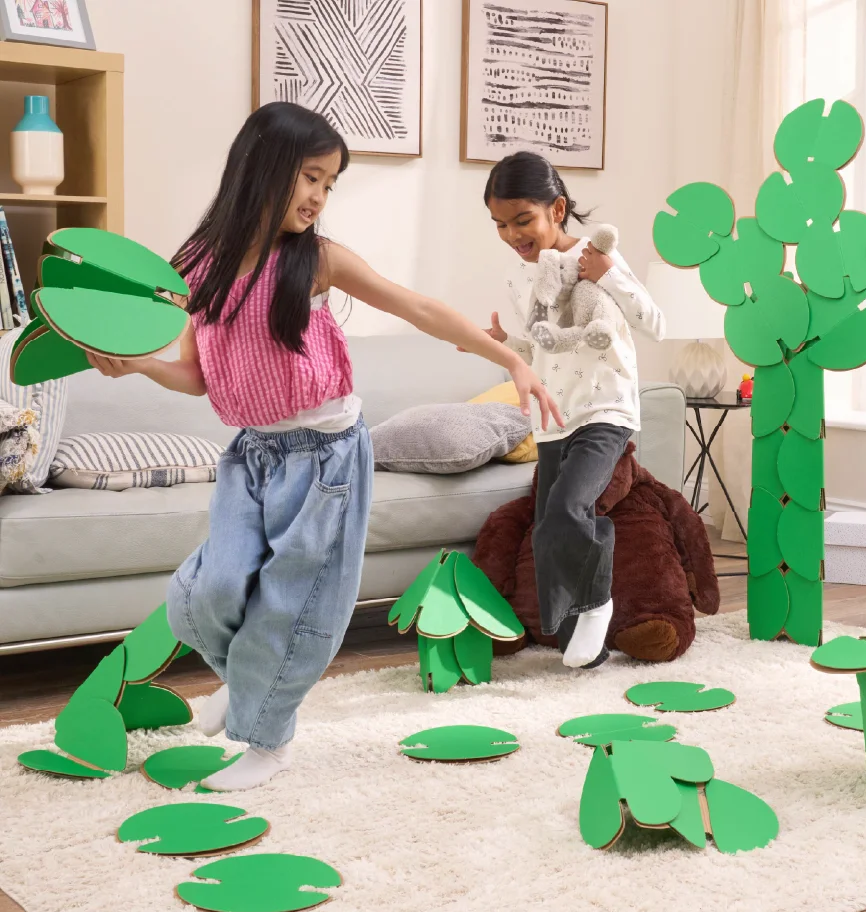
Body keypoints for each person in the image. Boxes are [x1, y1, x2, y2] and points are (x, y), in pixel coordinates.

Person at [87, 103, 561, 790]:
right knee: (207, 593)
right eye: (309, 177)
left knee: (290, 604)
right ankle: (248, 687)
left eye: (329, 184)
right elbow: (197, 375)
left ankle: (267, 741)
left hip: (326, 459)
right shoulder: (198, 262)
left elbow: (417, 307)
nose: (317, 197)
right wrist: (141, 366)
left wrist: (510, 360)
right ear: (261, 168)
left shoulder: (316, 260)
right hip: (251, 456)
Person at [483, 151, 665, 669]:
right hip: (552, 418)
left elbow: (655, 322)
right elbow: (544, 347)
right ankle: (581, 645)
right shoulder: (522, 278)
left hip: (605, 408)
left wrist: (608, 276)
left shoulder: (597, 255)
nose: (512, 234)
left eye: (522, 220)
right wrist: (500, 344)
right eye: (500, 224)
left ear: (556, 209)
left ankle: (598, 601)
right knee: (547, 532)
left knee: (567, 508)